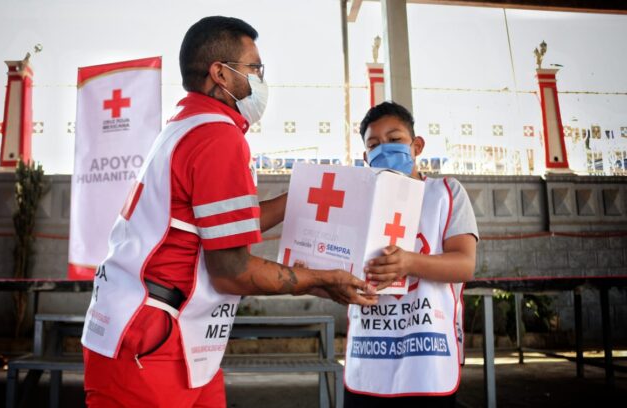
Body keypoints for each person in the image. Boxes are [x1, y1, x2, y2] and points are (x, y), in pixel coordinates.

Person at [81, 16, 376, 408]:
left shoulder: (186, 124)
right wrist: (319, 280)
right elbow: (232, 270)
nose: (261, 81)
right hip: (150, 345)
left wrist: (298, 199)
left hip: (176, 338)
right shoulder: (217, 135)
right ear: (220, 73)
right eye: (255, 68)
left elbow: (221, 226)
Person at [343, 101, 479, 407]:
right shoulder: (358, 199)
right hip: (369, 352)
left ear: (416, 145)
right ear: (366, 157)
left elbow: (465, 264)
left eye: (395, 140)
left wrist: (408, 262)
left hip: (428, 354)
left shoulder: (446, 193)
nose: (385, 149)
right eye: (374, 144)